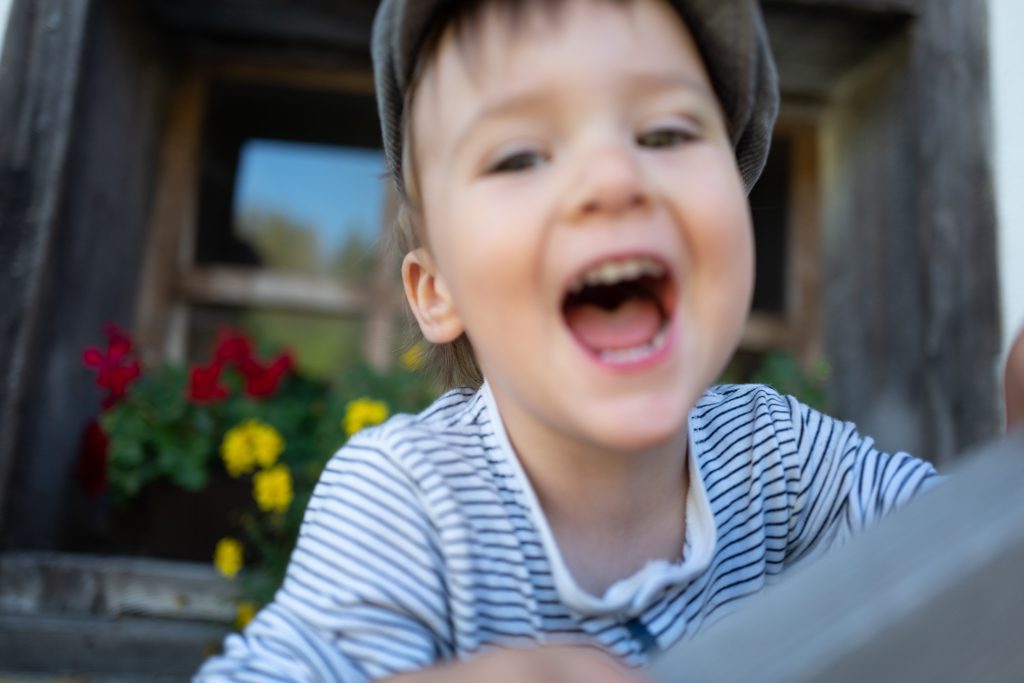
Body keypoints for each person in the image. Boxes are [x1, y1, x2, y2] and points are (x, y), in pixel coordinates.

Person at [195, 1, 1024, 681]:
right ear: (436, 291)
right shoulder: (410, 500)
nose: (614, 179)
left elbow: (966, 563)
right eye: (520, 155)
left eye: (665, 134)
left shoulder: (778, 458)